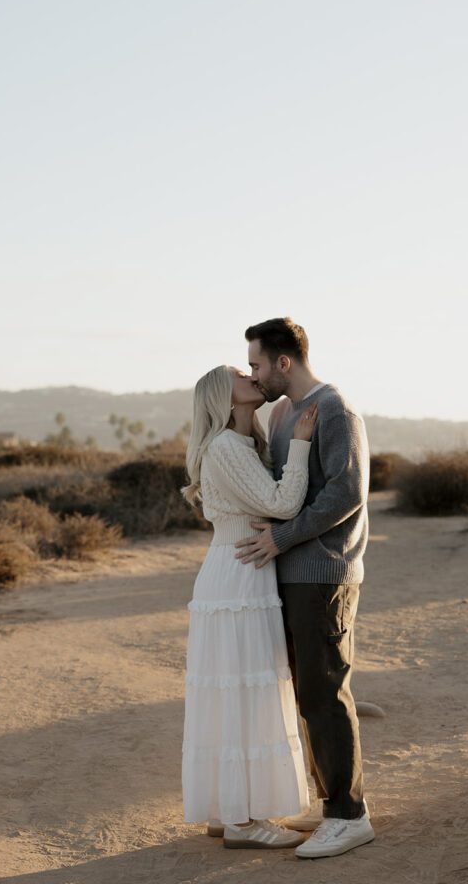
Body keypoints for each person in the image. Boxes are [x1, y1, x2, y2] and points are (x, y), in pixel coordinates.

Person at [235, 316, 375, 859]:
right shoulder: (281, 413)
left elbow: (346, 492)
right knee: (307, 694)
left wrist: (284, 536)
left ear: (283, 362)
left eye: (256, 364)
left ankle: (349, 815)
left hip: (325, 573)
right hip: (290, 575)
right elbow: (280, 488)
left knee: (325, 690)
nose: (255, 373)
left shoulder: (336, 409)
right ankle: (330, 803)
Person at [180, 363, 319, 849]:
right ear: (225, 395)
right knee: (241, 692)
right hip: (237, 576)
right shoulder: (224, 446)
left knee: (237, 692)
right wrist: (301, 445)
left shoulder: (241, 445)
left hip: (242, 572)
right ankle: (241, 823)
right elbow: (282, 504)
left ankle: (229, 808)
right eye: (240, 373)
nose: (251, 375)